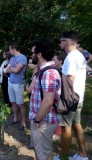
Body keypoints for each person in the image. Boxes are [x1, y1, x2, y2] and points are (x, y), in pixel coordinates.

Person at [53, 31, 88, 160]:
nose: (60, 44)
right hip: (79, 97)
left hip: (70, 99)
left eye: (61, 41)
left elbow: (69, 81)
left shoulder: (71, 57)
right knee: (77, 125)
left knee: (65, 129)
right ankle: (82, 155)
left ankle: (63, 157)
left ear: (66, 42)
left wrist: (58, 96)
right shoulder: (80, 55)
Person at [29, 38, 61, 160]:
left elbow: (48, 101)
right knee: (41, 151)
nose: (31, 56)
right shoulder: (43, 70)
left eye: (33, 53)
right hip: (41, 119)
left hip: (44, 121)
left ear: (39, 54)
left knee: (43, 154)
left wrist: (37, 120)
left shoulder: (49, 73)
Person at [4, 42, 27, 130]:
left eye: (10, 49)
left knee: (20, 104)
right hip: (11, 82)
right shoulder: (12, 58)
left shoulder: (23, 57)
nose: (9, 51)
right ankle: (15, 119)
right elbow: (6, 70)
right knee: (13, 102)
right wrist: (10, 69)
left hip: (18, 84)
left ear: (14, 49)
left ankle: (23, 123)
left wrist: (11, 69)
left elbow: (17, 70)